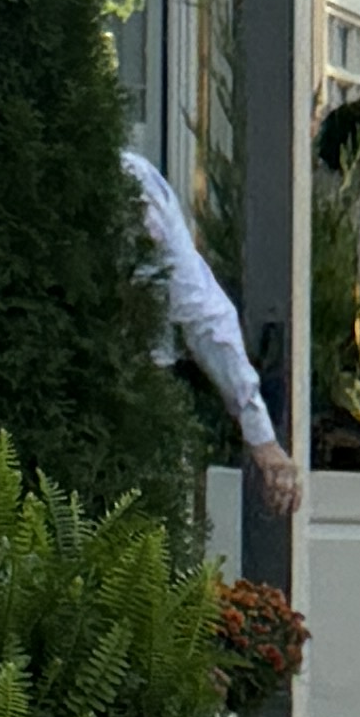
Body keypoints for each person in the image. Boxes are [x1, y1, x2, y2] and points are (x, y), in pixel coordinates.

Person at [120, 145, 301, 523]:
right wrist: (261, 437)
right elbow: (198, 306)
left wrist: (259, 431)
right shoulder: (131, 181)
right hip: (131, 398)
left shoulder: (132, 182)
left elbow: (199, 306)